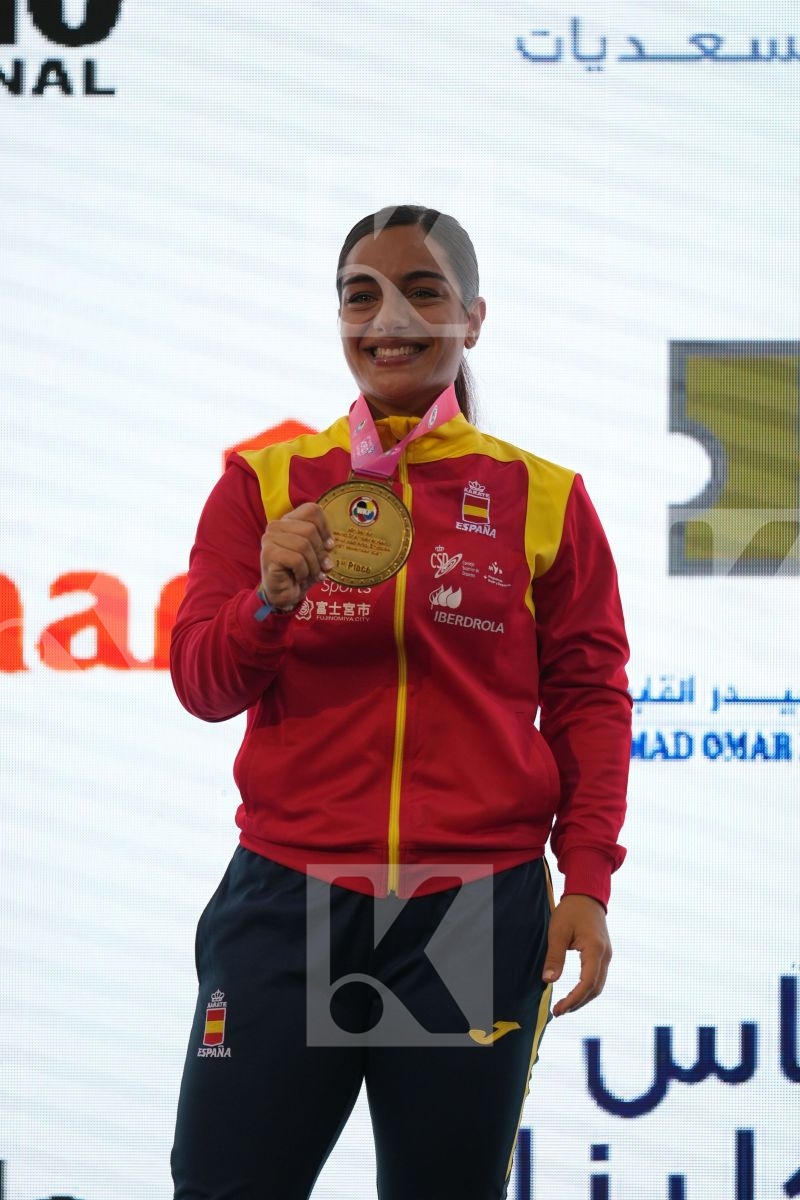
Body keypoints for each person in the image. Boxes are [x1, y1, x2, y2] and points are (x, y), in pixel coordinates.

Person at [169, 205, 632, 1200]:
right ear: (336, 316)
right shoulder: (265, 484)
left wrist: (585, 878)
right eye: (358, 294)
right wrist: (268, 603)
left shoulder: (540, 496)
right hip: (289, 895)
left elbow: (588, 699)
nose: (388, 318)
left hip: (470, 909)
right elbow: (204, 689)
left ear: (471, 316)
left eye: (422, 292)